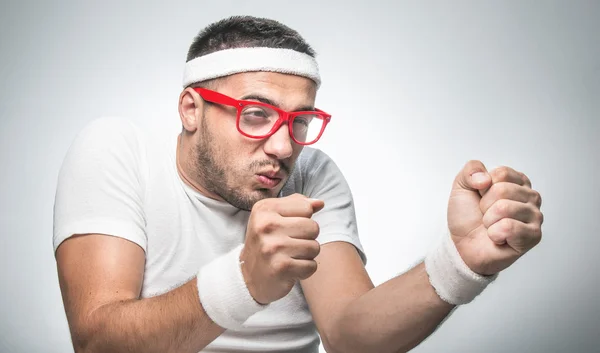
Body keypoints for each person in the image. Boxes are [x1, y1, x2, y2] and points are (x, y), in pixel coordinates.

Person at [53, 15, 544, 353]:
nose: (284, 148)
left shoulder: (312, 174)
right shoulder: (121, 153)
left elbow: (351, 337)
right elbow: (98, 342)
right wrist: (245, 281)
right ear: (190, 109)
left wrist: (461, 262)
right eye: (256, 114)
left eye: (300, 121)